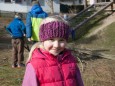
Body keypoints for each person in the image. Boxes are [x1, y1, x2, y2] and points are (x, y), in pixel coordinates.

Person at [22, 16, 84, 86]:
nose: (56, 45)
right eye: (51, 39)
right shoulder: (34, 65)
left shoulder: (71, 60)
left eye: (61, 40)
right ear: (43, 40)